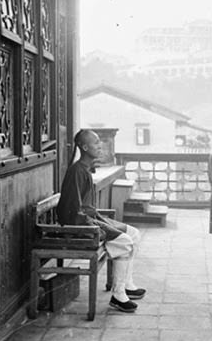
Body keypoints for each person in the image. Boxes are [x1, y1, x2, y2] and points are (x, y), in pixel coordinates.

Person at [57, 129, 146, 313]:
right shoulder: (77, 172)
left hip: (91, 218)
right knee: (124, 241)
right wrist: (97, 228)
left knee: (134, 234)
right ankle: (118, 295)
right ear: (84, 147)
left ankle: (127, 284)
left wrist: (98, 221)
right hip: (80, 225)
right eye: (96, 143)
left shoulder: (84, 169)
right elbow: (72, 212)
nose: (100, 146)